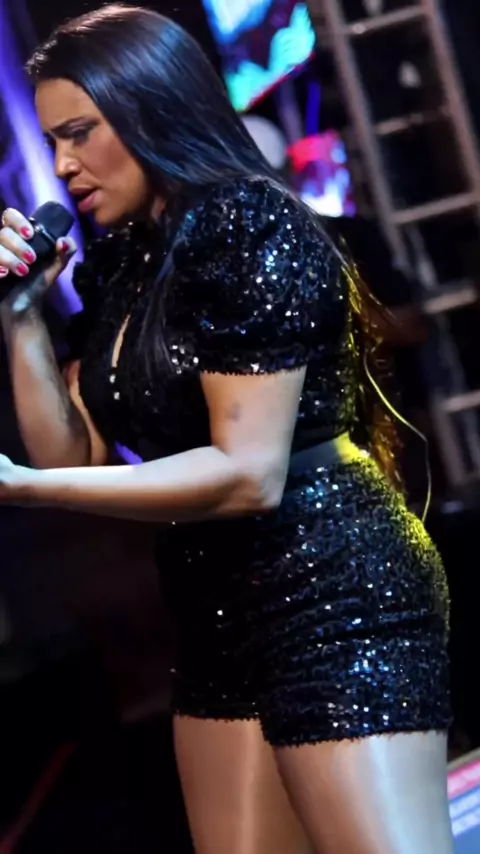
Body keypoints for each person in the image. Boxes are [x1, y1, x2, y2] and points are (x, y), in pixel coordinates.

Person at [0, 5, 453, 853]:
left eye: (79, 134)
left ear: (149, 109)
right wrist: (22, 315)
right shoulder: (128, 261)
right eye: (53, 141)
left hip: (330, 592)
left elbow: (250, 474)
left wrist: (25, 489)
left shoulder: (246, 223)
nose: (61, 166)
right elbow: (77, 452)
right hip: (213, 608)